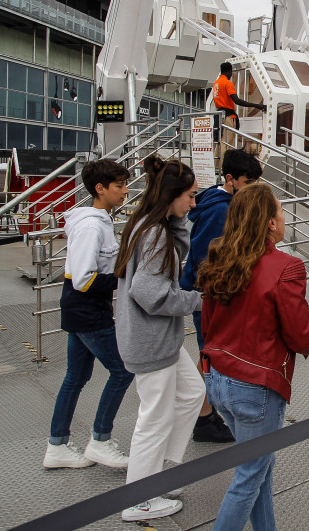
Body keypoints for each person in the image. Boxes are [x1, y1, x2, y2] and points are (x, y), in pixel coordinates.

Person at [196, 183, 309, 531]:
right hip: (257, 386)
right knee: (249, 475)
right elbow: (300, 335)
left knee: (259, 467)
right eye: (280, 212)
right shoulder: (286, 266)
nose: (283, 218)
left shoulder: (220, 259)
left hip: (219, 378)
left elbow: (208, 325)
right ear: (269, 223)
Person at [114, 156, 205, 522]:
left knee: (192, 393)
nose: (193, 205)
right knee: (154, 417)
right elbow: (150, 293)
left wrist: (180, 218)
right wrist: (199, 300)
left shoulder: (149, 224)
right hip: (151, 339)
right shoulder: (154, 233)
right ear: (172, 194)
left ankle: (161, 470)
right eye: (190, 197)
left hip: (155, 338)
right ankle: (138, 499)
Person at [43, 159, 133, 470]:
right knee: (122, 371)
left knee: (76, 377)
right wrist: (124, 277)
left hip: (83, 308)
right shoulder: (92, 225)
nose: (125, 191)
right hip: (86, 309)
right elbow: (82, 278)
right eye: (119, 186)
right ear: (100, 188)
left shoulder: (100, 221)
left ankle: (57, 446)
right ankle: (101, 441)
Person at [179, 149, 263, 443]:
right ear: (230, 179)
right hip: (210, 297)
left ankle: (208, 414)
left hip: (210, 294)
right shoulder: (220, 211)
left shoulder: (220, 203)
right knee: (213, 356)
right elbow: (206, 257)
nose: (252, 188)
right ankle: (204, 418)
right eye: (248, 181)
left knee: (212, 355)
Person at [212, 61, 267, 157]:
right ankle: (224, 165)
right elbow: (236, 100)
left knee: (220, 142)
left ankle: (216, 164)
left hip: (219, 115)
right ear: (229, 72)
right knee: (227, 143)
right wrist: (256, 105)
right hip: (228, 116)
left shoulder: (216, 83)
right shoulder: (227, 83)